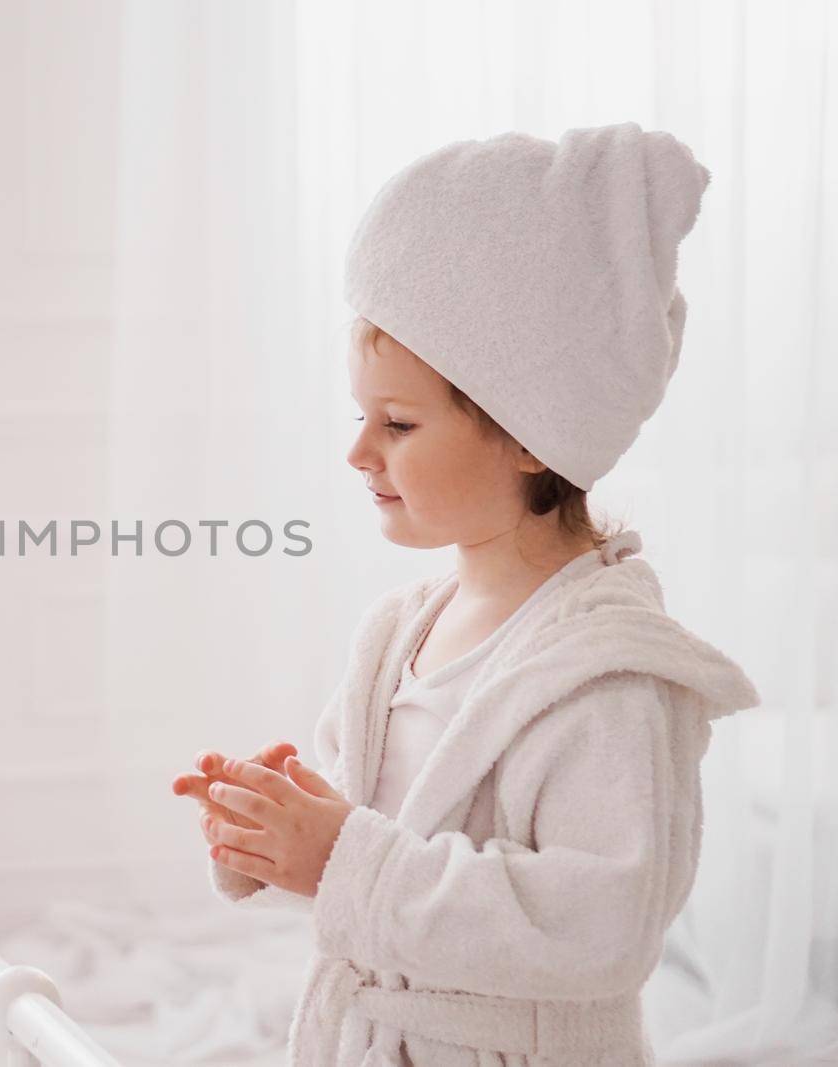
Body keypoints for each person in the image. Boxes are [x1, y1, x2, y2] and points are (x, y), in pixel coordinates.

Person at [168, 122, 760, 1066]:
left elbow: (599, 926)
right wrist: (282, 825)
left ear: (533, 437)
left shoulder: (606, 682)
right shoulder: (397, 634)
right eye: (359, 415)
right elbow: (384, 840)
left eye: (398, 423)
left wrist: (341, 856)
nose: (358, 452)